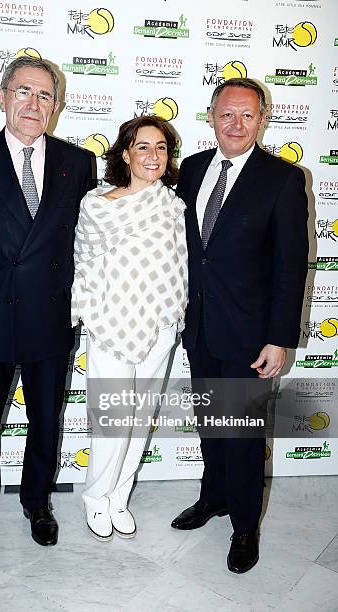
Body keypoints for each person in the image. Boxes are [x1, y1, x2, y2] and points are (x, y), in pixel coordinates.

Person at [0, 57, 92, 553]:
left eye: (45, 95)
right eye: (24, 91)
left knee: (45, 419)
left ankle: (37, 503)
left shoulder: (78, 163)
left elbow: (84, 241)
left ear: (56, 105)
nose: (33, 103)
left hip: (49, 314)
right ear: (3, 95)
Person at [171, 78, 308, 573]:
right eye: (226, 114)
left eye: (247, 115)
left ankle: (245, 526)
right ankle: (214, 498)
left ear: (263, 119)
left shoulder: (283, 179)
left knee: (244, 434)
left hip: (252, 334)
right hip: (200, 325)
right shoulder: (190, 169)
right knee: (211, 424)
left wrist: (279, 338)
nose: (236, 124)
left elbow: (291, 266)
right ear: (210, 117)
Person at [72, 116, 187, 541]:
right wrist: (89, 311)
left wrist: (174, 314)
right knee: (112, 417)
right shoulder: (96, 205)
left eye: (161, 148)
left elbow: (180, 265)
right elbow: (82, 261)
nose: (153, 155)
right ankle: (95, 498)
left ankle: (119, 497)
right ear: (125, 153)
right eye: (143, 146)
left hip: (159, 323)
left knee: (140, 419)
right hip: (111, 323)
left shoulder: (172, 204)